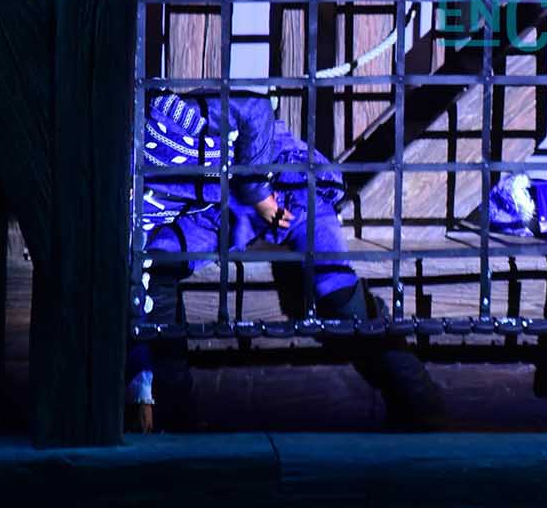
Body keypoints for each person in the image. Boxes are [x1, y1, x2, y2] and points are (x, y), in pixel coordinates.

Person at [127, 90, 447, 431]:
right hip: (216, 212)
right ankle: (173, 415)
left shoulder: (159, 115)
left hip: (284, 183)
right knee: (157, 265)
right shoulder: (123, 200)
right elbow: (133, 280)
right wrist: (141, 387)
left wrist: (259, 194)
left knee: (335, 289)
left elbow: (254, 109)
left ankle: (418, 402)